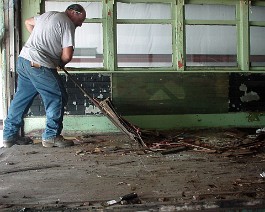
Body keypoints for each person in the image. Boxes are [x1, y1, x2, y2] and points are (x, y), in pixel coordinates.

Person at [3, 4, 86, 148]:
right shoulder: (67, 22)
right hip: (39, 64)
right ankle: (51, 136)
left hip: (24, 61)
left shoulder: (48, 15)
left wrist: (41, 43)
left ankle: (9, 136)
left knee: (21, 98)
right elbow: (67, 55)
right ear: (73, 12)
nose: (80, 24)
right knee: (58, 96)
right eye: (81, 20)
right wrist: (60, 63)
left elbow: (28, 22)